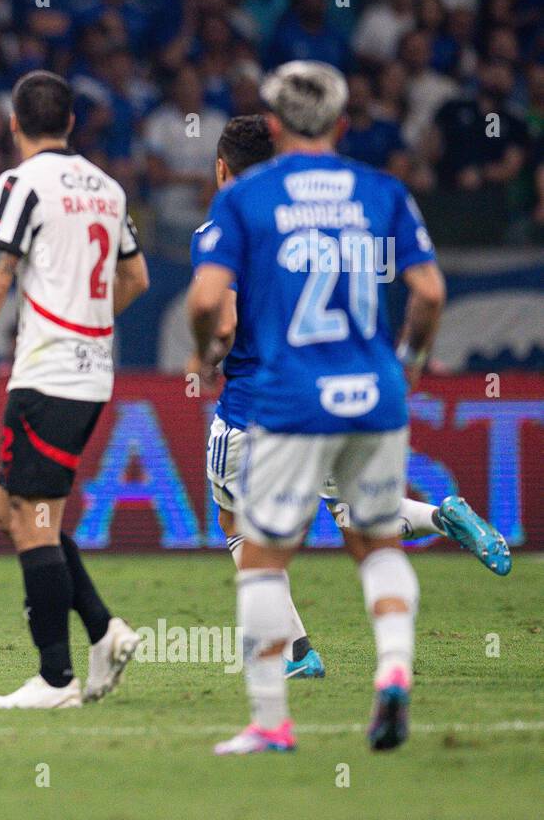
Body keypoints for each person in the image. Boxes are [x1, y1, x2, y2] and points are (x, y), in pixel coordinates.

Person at [191, 114, 512, 684]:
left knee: (237, 521)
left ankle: (296, 655)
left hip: (260, 405)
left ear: (222, 168)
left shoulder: (228, 224)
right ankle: (441, 514)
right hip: (350, 394)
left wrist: (207, 355)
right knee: (356, 511)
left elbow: (228, 319)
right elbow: (422, 291)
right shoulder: (342, 220)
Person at [188, 61, 446, 755]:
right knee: (377, 544)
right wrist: (411, 366)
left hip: (290, 395)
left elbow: (210, 303)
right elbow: (429, 293)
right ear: (341, 124)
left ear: (275, 125)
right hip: (375, 391)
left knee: (262, 554)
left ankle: (272, 721)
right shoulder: (382, 192)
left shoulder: (248, 201)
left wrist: (200, 356)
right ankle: (393, 669)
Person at [0, 71, 150, 710]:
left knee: (33, 518)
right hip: (91, 371)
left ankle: (56, 678)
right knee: (13, 511)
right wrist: (90, 316)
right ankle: (105, 629)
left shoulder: (21, 183)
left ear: (13, 124)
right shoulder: (106, 187)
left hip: (49, 372)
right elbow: (134, 275)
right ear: (73, 124)